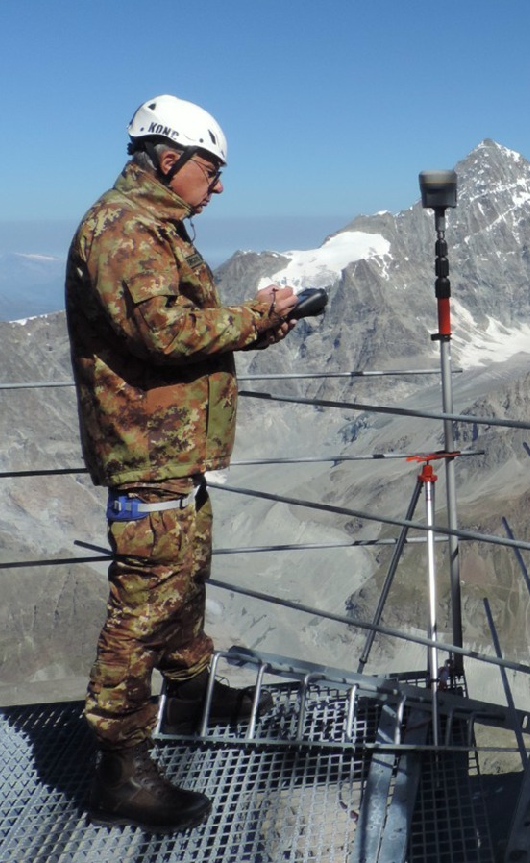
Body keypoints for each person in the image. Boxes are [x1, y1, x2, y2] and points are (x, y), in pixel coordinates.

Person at [65, 94, 300, 833]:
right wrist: (253, 317)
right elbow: (163, 332)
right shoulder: (123, 230)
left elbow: (182, 326)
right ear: (169, 160)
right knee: (142, 605)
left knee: (183, 575)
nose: (218, 184)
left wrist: (261, 325)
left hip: (171, 450)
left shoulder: (155, 226)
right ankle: (120, 766)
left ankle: (193, 695)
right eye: (210, 169)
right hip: (146, 451)